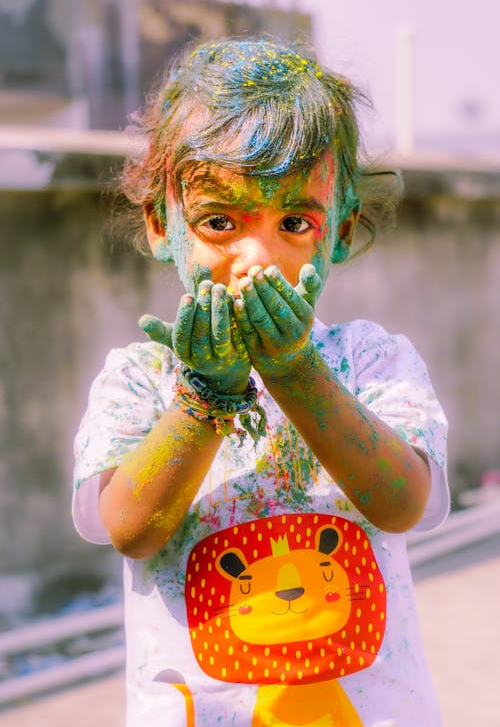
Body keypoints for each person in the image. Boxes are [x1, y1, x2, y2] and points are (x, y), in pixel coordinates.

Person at [72, 36, 449, 727]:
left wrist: (296, 371)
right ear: (163, 225)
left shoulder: (372, 361)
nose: (259, 259)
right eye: (220, 221)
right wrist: (203, 400)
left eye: (295, 222)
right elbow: (128, 528)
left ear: (338, 232)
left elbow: (402, 503)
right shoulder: (141, 379)